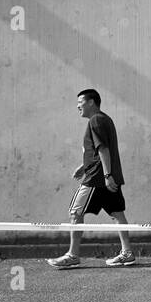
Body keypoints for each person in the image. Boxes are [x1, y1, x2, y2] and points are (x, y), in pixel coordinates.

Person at [46, 88, 136, 269]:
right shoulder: (105, 119)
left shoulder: (95, 120)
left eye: (80, 102)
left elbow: (103, 149)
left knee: (75, 212)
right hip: (105, 176)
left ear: (91, 102)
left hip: (97, 178)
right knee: (117, 214)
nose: (77, 106)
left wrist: (106, 175)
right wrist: (84, 166)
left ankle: (72, 255)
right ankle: (127, 253)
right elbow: (100, 150)